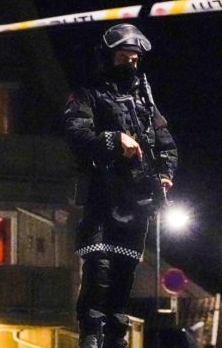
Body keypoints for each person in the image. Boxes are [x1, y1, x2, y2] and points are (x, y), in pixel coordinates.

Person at [64, 24, 178, 348]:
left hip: (137, 198)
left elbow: (166, 143)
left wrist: (165, 173)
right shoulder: (88, 92)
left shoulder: (144, 98)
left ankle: (117, 338)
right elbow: (76, 132)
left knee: (124, 272)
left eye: (135, 58)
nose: (130, 62)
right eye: (124, 56)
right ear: (108, 57)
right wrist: (115, 140)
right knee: (99, 267)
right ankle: (90, 336)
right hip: (101, 193)